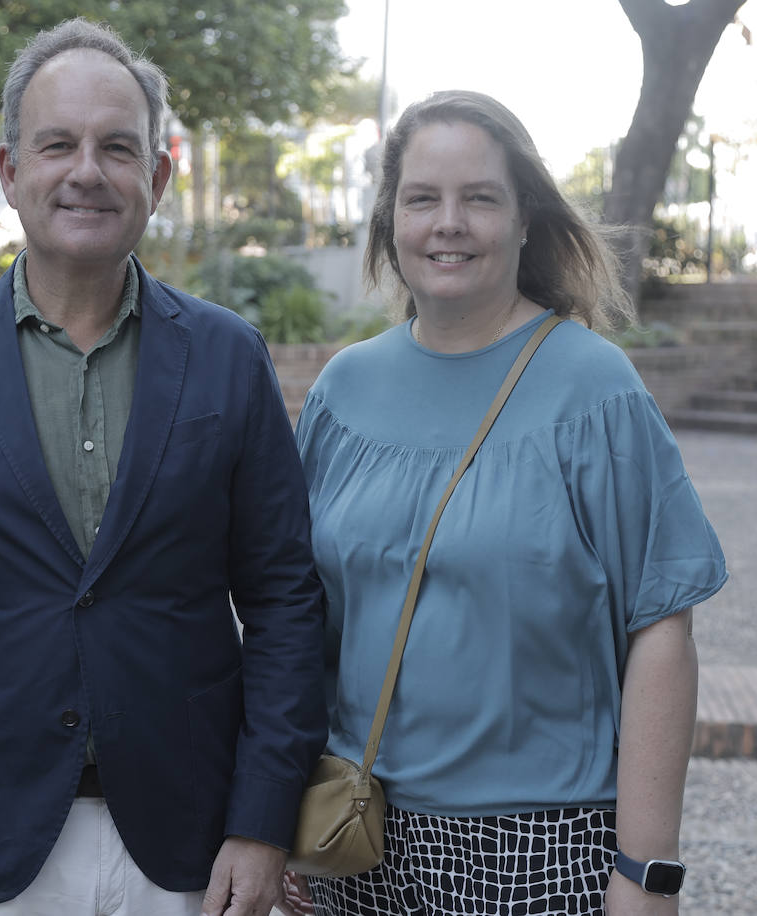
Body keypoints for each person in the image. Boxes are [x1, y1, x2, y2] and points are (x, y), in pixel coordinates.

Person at [0, 18, 327, 916]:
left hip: (193, 849)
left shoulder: (227, 357)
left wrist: (263, 817)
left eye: (117, 148)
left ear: (156, 178)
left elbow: (284, 601)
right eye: (58, 145)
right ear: (12, 171)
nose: (87, 171)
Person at [283, 91, 727, 915]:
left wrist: (647, 869)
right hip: (357, 832)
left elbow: (662, 627)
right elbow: (302, 621)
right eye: (422, 199)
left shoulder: (594, 388)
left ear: (525, 219)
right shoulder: (343, 391)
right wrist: (274, 808)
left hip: (541, 848)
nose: (448, 222)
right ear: (390, 222)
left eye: (479, 198)